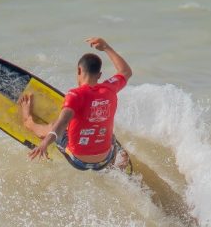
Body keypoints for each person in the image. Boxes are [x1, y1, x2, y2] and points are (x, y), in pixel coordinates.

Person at [18, 37, 132, 171]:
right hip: (103, 160)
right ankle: (113, 165)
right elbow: (126, 72)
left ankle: (28, 122)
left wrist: (44, 144)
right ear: (100, 75)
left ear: (79, 70)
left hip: (78, 161)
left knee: (53, 125)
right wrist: (106, 47)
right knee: (110, 136)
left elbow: (62, 123)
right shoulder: (110, 88)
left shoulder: (75, 95)